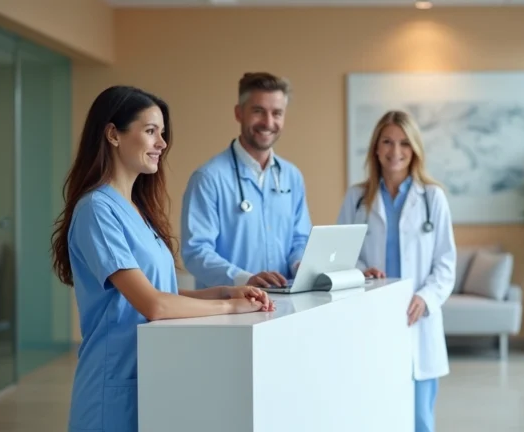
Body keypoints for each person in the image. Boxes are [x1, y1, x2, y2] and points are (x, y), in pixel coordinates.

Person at [50, 85, 274, 432]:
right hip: (113, 386)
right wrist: (230, 309)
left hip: (153, 376)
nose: (162, 144)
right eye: (151, 131)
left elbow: (161, 291)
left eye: (163, 134)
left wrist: (226, 292)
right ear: (113, 134)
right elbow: (153, 304)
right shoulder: (97, 209)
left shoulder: (136, 210)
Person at [335, 110, 456, 432]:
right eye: (387, 141)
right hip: (374, 316)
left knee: (420, 421)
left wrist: (426, 298)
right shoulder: (356, 198)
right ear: (376, 148)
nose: (395, 150)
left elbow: (445, 263)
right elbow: (343, 257)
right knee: (374, 416)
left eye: (404, 142)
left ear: (414, 149)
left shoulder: (433, 198)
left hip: (417, 317)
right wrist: (362, 272)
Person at [181, 72, 312, 289]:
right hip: (227, 311)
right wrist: (243, 279)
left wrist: (300, 264)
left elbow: (300, 239)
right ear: (239, 113)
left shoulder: (291, 176)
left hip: (284, 304)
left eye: (277, 113)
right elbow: (196, 252)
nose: (268, 122)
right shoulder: (208, 178)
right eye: (258, 111)